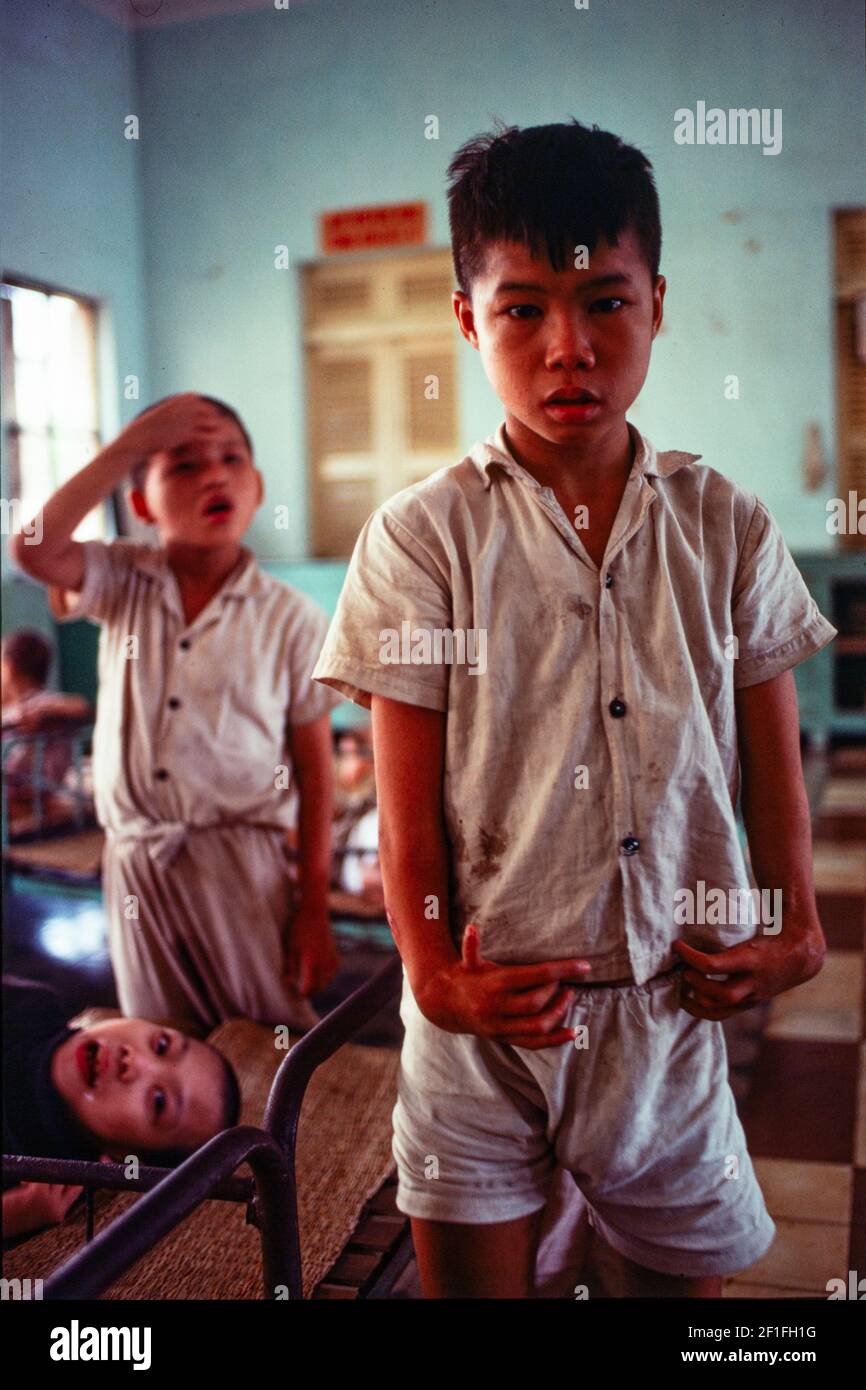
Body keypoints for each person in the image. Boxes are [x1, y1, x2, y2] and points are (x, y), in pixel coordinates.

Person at [311, 119, 837, 1298]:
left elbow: (771, 765)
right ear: (464, 318)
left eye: (604, 302)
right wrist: (433, 976)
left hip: (668, 1008)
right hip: (481, 1022)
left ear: (656, 300)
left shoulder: (726, 525)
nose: (568, 350)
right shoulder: (420, 537)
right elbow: (407, 814)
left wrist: (797, 926)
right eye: (522, 309)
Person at [11, 393, 343, 1033]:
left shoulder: (292, 619)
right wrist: (128, 446)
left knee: (269, 1034)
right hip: (137, 863)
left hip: (245, 867)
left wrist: (314, 907)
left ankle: (270, 1140)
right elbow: (32, 549)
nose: (215, 475)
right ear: (141, 502)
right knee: (164, 1039)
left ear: (256, 486)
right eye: (182, 466)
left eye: (231, 460)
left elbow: (314, 768)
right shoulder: (121, 580)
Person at [2, 976, 240, 1239]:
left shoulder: (45, 1178)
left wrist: (19, 1213)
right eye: (162, 1045)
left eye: (159, 1102)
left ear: (122, 1154)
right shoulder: (38, 1005)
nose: (135, 1061)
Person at [1, 629, 91, 822]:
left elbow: (80, 706)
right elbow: (81, 705)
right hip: (45, 788)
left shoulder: (36, 708)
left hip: (21, 787)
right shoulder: (49, 703)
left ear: (8, 667)